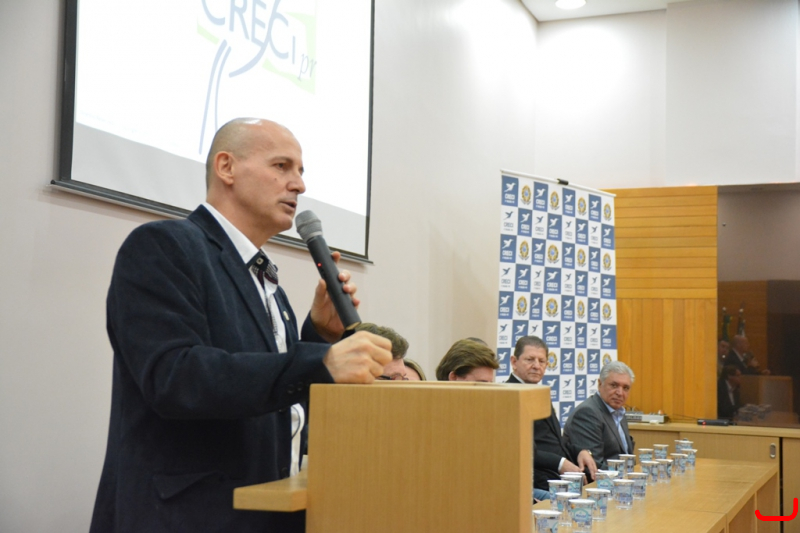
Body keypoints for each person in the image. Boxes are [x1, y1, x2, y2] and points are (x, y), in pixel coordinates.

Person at [89, 118, 393, 533]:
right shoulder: (163, 246)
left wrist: (319, 334)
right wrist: (320, 361)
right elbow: (175, 377)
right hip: (188, 519)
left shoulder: (264, 278)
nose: (299, 185)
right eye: (282, 166)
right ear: (226, 167)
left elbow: (270, 394)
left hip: (265, 513)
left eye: (301, 171)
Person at [506, 336, 597, 501]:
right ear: (514, 362)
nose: (536, 366)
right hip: (538, 480)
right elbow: (518, 449)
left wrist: (580, 451)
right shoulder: (508, 396)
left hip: (562, 477)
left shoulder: (540, 393)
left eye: (542, 361)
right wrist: (560, 462)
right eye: (530, 360)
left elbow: (554, 441)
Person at [563, 361, 636, 470]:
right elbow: (594, 467)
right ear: (600, 384)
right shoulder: (587, 413)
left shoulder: (619, 412)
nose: (620, 393)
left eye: (625, 388)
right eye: (614, 385)